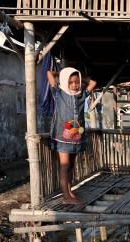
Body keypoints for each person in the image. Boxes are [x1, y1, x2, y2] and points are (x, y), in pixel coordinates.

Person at [47, 68, 96, 205]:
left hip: (76, 136)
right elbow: (49, 74)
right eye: (71, 82)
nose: (75, 85)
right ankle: (65, 197)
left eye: (77, 82)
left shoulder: (81, 94)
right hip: (62, 136)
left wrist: (82, 79)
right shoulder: (59, 92)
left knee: (71, 165)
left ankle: (69, 191)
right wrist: (61, 74)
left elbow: (93, 83)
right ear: (64, 82)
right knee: (65, 165)